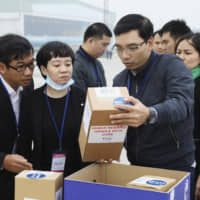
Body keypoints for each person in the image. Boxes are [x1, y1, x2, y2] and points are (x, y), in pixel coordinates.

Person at [110, 14, 195, 199]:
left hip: (175, 165)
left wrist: (150, 113)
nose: (125, 55)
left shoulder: (173, 66)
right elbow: (118, 120)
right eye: (119, 49)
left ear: (149, 43)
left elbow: (182, 103)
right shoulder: (120, 80)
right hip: (138, 165)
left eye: (132, 48)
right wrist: (107, 148)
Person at [17, 41, 86, 177]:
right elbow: (24, 142)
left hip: (78, 172)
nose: (64, 69)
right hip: (42, 172)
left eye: (68, 64)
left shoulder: (82, 97)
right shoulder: (31, 100)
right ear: (43, 69)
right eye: (56, 65)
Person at [0, 34, 33, 200]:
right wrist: (3, 160)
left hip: (20, 176)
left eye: (31, 64)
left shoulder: (27, 85)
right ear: (2, 67)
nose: (28, 72)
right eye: (20, 67)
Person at [175, 33, 200, 200]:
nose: (181, 57)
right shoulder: (174, 81)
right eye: (178, 52)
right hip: (177, 158)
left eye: (188, 53)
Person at [72, 22, 112, 93]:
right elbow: (78, 97)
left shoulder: (98, 64)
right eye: (104, 45)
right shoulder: (75, 64)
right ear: (91, 41)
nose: (106, 49)